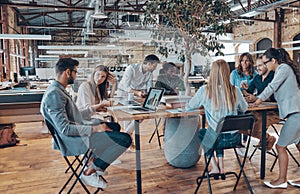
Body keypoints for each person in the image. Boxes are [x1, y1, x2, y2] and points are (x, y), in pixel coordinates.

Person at [40, 58, 132, 188]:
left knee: (115, 126)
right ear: (68, 72)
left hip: (77, 131)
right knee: (125, 139)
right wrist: (96, 129)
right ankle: (89, 172)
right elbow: (65, 129)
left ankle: (92, 159)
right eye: (75, 72)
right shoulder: (54, 94)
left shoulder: (58, 90)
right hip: (72, 139)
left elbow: (75, 114)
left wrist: (95, 108)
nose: (76, 75)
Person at [186, 59, 248, 179]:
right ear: (227, 72)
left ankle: (214, 166)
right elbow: (244, 108)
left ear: (212, 73)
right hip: (233, 139)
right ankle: (221, 166)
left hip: (217, 139)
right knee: (219, 130)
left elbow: (190, 106)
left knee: (204, 133)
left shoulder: (205, 90)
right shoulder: (235, 90)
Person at [250, 48, 300, 189]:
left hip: (296, 114)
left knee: (280, 146)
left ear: (273, 60)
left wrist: (258, 101)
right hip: (296, 113)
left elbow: (272, 87)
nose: (265, 66)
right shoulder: (282, 70)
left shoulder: (283, 68)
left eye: (266, 62)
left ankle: (281, 180)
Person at [117, 54, 160, 138]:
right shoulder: (132, 68)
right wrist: (137, 92)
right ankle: (128, 138)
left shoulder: (149, 73)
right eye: (154, 66)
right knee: (129, 117)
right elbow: (126, 86)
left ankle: (127, 135)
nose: (155, 68)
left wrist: (148, 93)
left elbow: (149, 87)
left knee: (141, 114)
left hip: (136, 95)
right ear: (148, 64)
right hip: (123, 93)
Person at [241, 56, 278, 150]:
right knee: (240, 123)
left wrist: (256, 98)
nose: (258, 68)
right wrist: (246, 94)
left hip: (274, 111)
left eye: (260, 65)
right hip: (259, 110)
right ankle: (266, 138)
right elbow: (249, 91)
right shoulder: (257, 78)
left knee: (256, 128)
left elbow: (274, 97)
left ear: (267, 65)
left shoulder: (275, 76)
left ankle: (268, 139)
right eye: (256, 66)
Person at [230, 52, 258, 145]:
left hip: (250, 100)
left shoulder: (255, 74)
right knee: (238, 118)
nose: (244, 63)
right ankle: (238, 143)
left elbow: (257, 89)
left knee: (250, 118)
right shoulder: (234, 73)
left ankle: (245, 140)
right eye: (242, 61)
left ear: (250, 62)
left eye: (247, 61)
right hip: (237, 101)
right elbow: (231, 88)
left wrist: (252, 96)